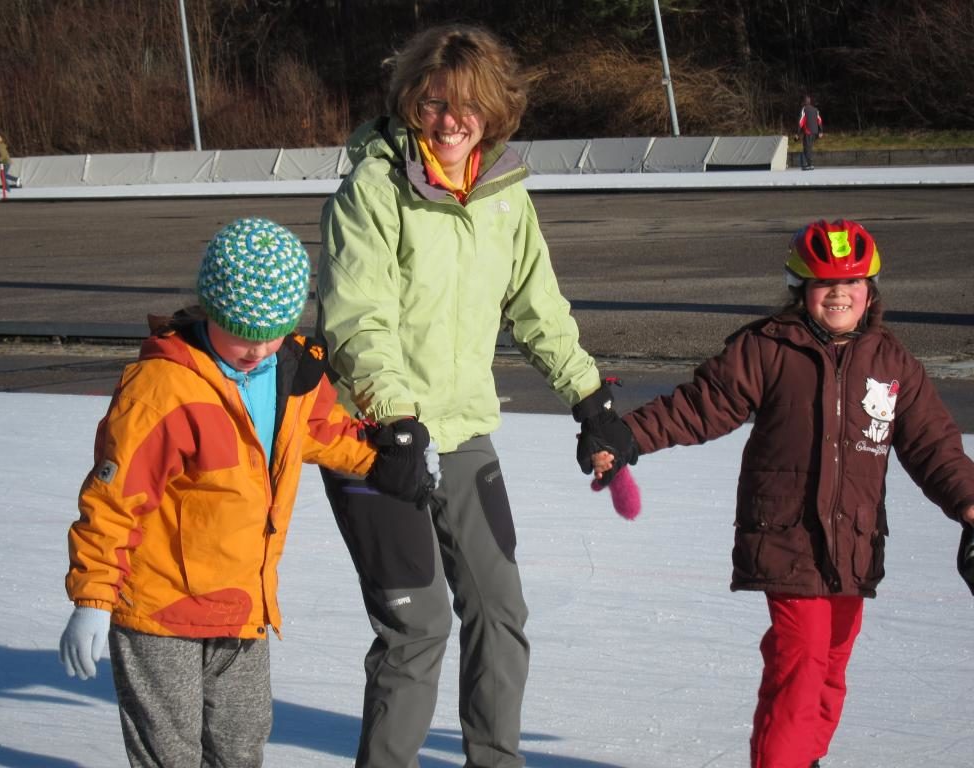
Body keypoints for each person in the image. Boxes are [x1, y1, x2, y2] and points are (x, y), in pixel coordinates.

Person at [315, 23, 627, 768]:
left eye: (468, 107)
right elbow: (359, 316)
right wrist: (393, 414)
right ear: (409, 104)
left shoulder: (503, 195)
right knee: (417, 626)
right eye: (433, 104)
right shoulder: (374, 188)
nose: (450, 121)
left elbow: (536, 305)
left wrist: (589, 398)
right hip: (372, 437)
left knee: (500, 610)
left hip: (461, 432)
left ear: (495, 112)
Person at [589, 219, 974, 768]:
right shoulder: (767, 348)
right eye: (824, 285)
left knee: (830, 667)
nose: (839, 294)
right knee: (801, 661)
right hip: (786, 536)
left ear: (871, 291)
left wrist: (968, 501)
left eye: (852, 283)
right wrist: (629, 436)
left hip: (856, 543)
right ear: (801, 291)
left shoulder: (892, 364)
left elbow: (934, 444)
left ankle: (802, 759)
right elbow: (703, 404)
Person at [59, 217, 438, 768]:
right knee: (171, 754)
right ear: (212, 310)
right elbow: (113, 502)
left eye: (273, 332)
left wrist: (387, 464)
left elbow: (321, 433)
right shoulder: (163, 390)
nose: (257, 349)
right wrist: (93, 599)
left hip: (241, 606)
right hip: (160, 610)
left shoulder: (289, 374)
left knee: (242, 745)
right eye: (242, 332)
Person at [795, 96, 823, 171]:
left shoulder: (804, 109)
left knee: (806, 148)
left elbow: (801, 121)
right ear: (810, 102)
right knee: (809, 147)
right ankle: (809, 163)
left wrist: (797, 133)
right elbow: (819, 120)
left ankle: (810, 164)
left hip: (808, 131)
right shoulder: (815, 109)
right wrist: (821, 131)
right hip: (815, 132)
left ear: (804, 102)